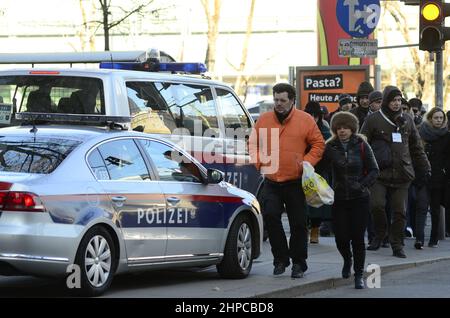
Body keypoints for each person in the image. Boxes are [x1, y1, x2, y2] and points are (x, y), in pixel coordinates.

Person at [249, 83, 325, 278]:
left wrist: (305, 163)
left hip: (295, 180)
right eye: (276, 100)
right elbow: (253, 144)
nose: (279, 104)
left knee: (298, 223)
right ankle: (280, 259)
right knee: (271, 217)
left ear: (292, 101)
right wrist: (260, 164)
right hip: (272, 180)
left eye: (283, 100)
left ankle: (299, 263)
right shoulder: (264, 120)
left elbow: (318, 144)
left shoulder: (305, 120)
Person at [361, 86, 430, 258]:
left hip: (402, 173)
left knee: (400, 211)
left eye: (399, 100)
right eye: (393, 100)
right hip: (379, 173)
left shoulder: (407, 119)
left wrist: (425, 167)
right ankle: (380, 233)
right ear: (385, 101)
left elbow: (416, 147)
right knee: (376, 205)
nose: (396, 103)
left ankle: (397, 244)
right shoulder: (373, 120)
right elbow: (362, 144)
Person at [321, 112, 379, 289]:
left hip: (359, 199)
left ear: (352, 128)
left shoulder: (361, 144)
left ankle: (359, 274)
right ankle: (347, 259)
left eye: (345, 127)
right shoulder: (330, 147)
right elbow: (321, 169)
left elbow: (374, 170)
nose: (342, 131)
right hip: (339, 199)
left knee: (358, 238)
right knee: (341, 238)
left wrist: (362, 186)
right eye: (338, 128)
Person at [417, 107, 450, 248]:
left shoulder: (447, 136)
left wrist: (444, 171)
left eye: (441, 118)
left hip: (438, 177)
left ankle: (433, 238)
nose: (438, 120)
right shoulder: (421, 132)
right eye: (436, 118)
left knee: (435, 209)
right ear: (430, 118)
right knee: (422, 206)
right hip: (422, 176)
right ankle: (419, 239)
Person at [304, 101, 332, 244]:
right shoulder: (300, 128)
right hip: (302, 171)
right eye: (310, 115)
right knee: (303, 204)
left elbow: (329, 149)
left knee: (317, 205)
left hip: (319, 171)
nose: (313, 118)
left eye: (315, 116)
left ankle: (315, 230)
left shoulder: (325, 131)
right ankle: (305, 230)